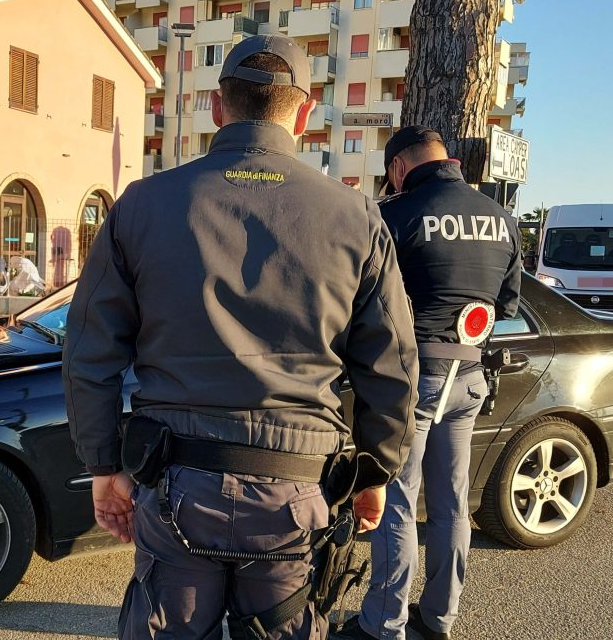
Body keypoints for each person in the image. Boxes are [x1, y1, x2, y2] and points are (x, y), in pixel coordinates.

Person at [62, 34, 418, 640]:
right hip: (298, 487)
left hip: (175, 482)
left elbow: (90, 349)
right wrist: (376, 472)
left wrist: (103, 466)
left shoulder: (141, 205)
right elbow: (392, 364)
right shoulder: (355, 217)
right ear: (303, 113)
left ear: (217, 107)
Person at [333, 127, 522, 640]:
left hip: (411, 380)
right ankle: (439, 617)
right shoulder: (502, 218)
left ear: (398, 168)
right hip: (470, 375)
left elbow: (361, 299)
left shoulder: (395, 214)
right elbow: (506, 303)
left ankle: (385, 624)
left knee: (396, 498)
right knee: (450, 502)